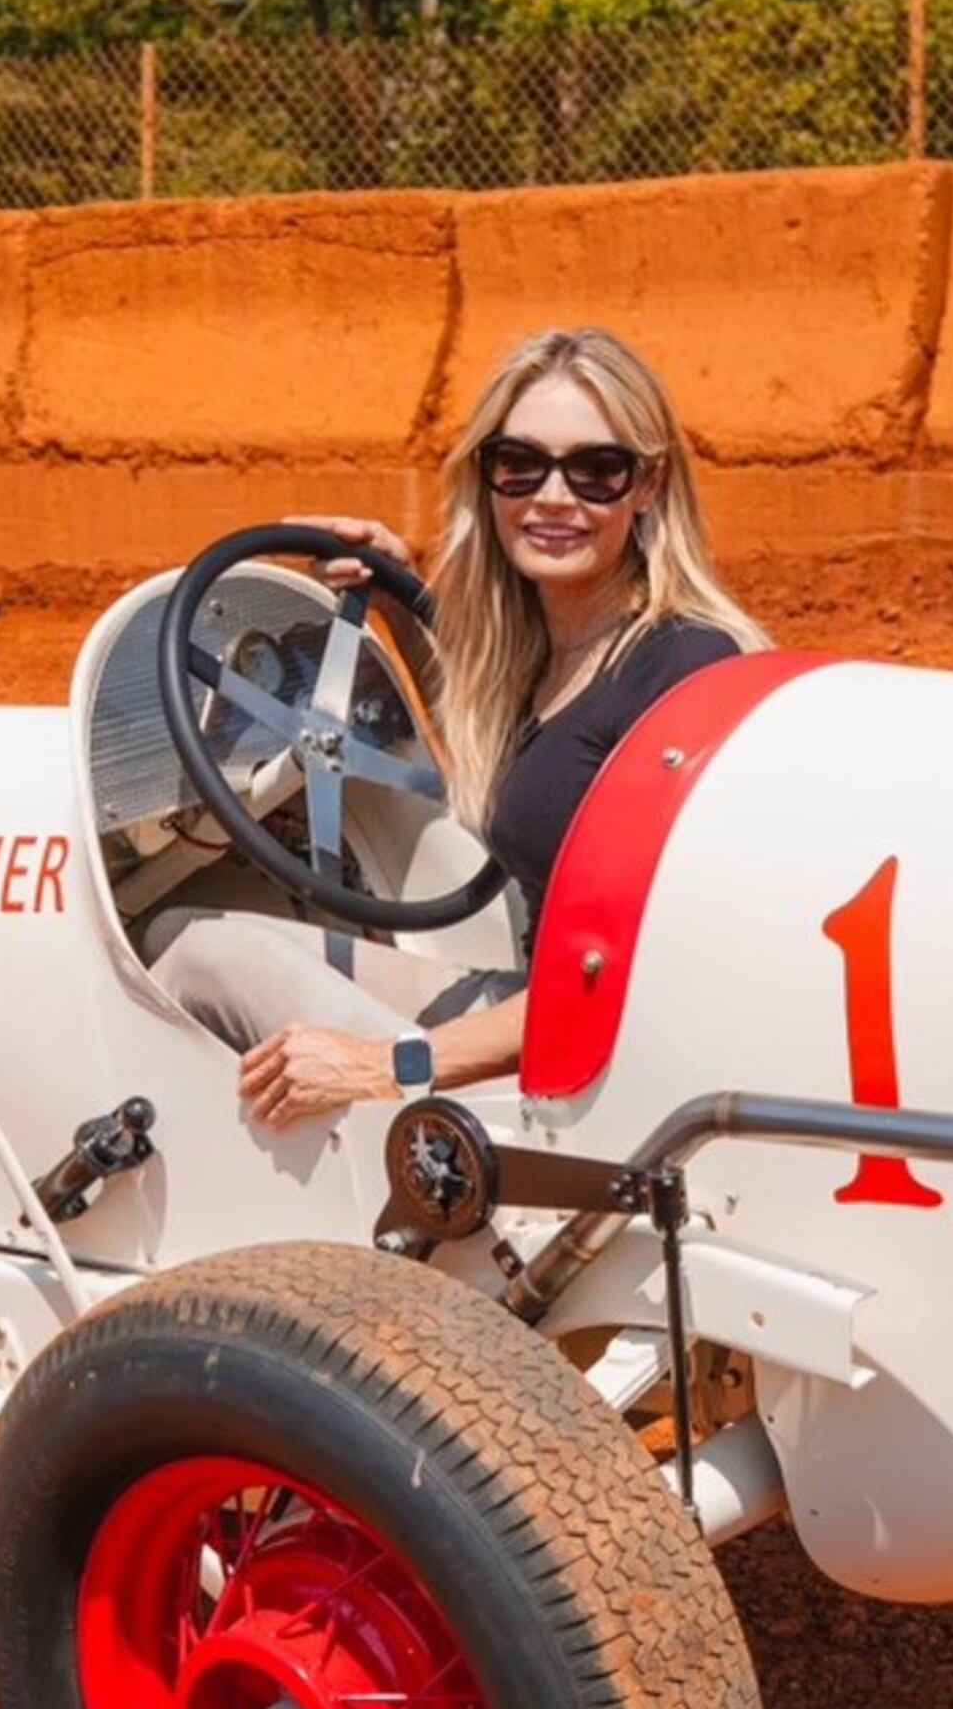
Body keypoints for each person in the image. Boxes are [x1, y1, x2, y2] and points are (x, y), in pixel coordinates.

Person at [150, 326, 775, 1129]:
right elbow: (521, 753)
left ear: (647, 486)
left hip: (586, 1083)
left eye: (596, 471)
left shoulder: (680, 670)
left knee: (209, 974)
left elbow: (639, 976)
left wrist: (386, 1065)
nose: (554, 497)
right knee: (188, 935)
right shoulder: (562, 652)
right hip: (536, 1014)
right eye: (521, 464)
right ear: (489, 479)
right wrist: (397, 597)